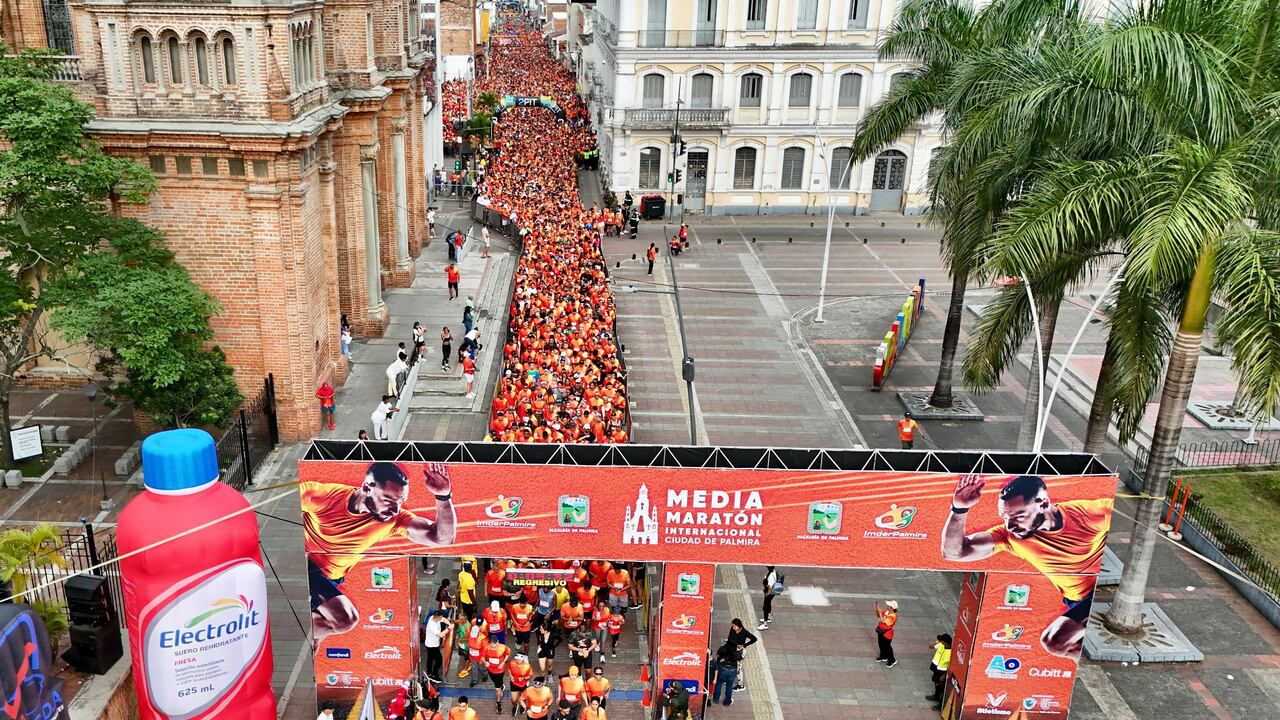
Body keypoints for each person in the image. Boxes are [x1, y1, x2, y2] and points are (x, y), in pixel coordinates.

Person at [942, 474, 1112, 657]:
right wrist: (959, 509)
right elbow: (953, 553)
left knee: (1054, 641)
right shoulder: (1009, 537)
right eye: (1004, 517)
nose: (1009, 525)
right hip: (1075, 599)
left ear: (1044, 504)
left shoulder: (1089, 514)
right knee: (1069, 645)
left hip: (1100, 591)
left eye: (1018, 516)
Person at [303, 462, 455, 644]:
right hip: (309, 567)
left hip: (333, 577)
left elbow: (443, 538)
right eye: (389, 500)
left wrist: (443, 496)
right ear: (367, 487)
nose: (395, 509)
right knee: (345, 619)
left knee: (316, 640)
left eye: (400, 502)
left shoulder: (393, 520)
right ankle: (293, 627)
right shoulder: (323, 496)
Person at [725, 618, 757, 691]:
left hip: (739, 653)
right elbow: (729, 637)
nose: (733, 628)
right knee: (729, 664)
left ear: (739, 626)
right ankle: (727, 678)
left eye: (734, 626)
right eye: (732, 626)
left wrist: (745, 645)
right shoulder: (732, 629)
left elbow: (754, 639)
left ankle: (740, 685)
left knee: (738, 669)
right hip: (731, 650)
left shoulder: (745, 632)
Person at [483, 639, 512, 713]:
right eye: (491, 644)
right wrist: (485, 662)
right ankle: (501, 686)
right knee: (495, 682)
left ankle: (498, 704)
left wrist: (503, 662)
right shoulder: (486, 647)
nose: (493, 646)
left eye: (494, 644)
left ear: (498, 642)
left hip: (500, 671)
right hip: (490, 670)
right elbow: (482, 657)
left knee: (497, 689)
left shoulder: (503, 647)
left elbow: (508, 654)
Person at [926, 633, 952, 709]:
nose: (941, 642)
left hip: (942, 672)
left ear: (945, 642)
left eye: (942, 641)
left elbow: (950, 665)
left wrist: (944, 675)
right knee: (936, 683)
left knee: (942, 689)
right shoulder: (941, 645)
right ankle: (936, 696)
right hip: (936, 669)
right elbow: (931, 646)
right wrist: (936, 642)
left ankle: (940, 706)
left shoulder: (951, 652)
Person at [424, 609, 451, 683]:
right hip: (432, 645)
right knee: (439, 660)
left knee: (430, 658)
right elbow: (441, 635)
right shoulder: (432, 625)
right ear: (437, 617)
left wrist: (449, 624)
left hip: (431, 644)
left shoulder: (434, 617)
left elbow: (444, 619)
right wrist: (449, 628)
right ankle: (434, 675)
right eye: (440, 617)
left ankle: (429, 673)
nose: (441, 618)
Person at [535, 615, 562, 680]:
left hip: (550, 651)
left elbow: (560, 640)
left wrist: (554, 646)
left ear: (546, 630)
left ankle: (550, 674)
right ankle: (542, 678)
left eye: (541, 629)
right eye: (540, 628)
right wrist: (539, 644)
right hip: (542, 650)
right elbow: (538, 639)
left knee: (549, 665)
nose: (540, 629)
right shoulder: (539, 632)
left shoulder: (553, 634)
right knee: (542, 668)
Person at [508, 652, 534, 717]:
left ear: (523, 659)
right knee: (513, 700)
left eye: (519, 659)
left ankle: (523, 706)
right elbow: (509, 669)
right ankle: (515, 706)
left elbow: (531, 675)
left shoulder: (527, 666)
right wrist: (511, 676)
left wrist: (523, 678)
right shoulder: (512, 662)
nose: (517, 660)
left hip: (524, 685)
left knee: (523, 698)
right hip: (514, 683)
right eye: (516, 659)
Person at [875, 599, 898, 667]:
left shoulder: (893, 616)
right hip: (881, 631)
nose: (887, 606)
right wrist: (877, 610)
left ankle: (892, 660)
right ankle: (883, 656)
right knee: (881, 645)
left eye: (889, 606)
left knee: (887, 647)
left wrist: (879, 612)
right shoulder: (886, 611)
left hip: (887, 634)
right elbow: (878, 616)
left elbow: (883, 621)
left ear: (892, 608)